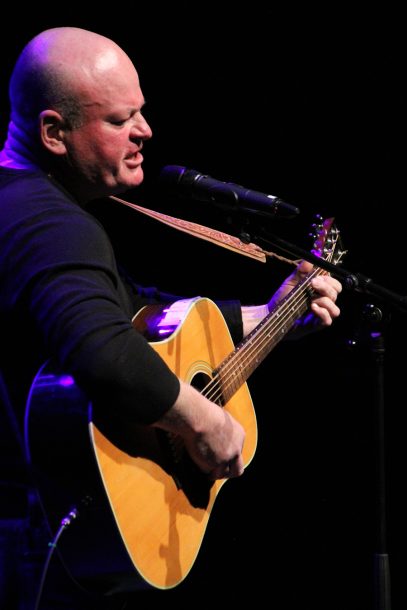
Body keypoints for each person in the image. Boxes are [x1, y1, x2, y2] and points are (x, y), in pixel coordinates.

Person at [0, 27, 342, 610]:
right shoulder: (52, 224)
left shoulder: (28, 207)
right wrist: (203, 423)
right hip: (40, 543)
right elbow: (106, 355)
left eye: (141, 112)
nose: (144, 132)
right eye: (119, 120)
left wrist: (272, 313)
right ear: (54, 133)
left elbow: (135, 315)